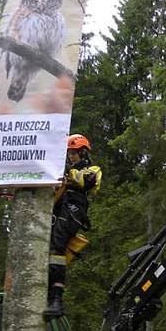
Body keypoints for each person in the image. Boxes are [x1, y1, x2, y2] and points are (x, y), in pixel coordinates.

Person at [44, 134, 102, 318]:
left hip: (74, 209)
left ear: (84, 153)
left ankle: (57, 299)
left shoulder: (93, 169)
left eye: (75, 153)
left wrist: (69, 176)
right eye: (70, 153)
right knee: (50, 248)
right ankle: (50, 292)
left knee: (57, 247)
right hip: (60, 209)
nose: (72, 157)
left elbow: (87, 181)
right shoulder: (65, 175)